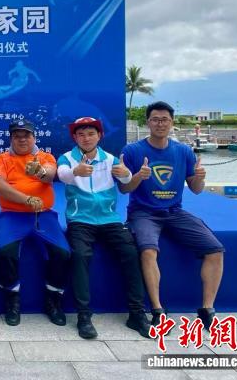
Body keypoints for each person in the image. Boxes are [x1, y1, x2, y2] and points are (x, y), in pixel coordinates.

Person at [120, 101, 224, 329]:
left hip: (175, 211)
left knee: (215, 250)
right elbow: (124, 188)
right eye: (155, 119)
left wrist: (200, 177)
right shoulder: (132, 151)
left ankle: (207, 309)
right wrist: (138, 176)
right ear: (148, 122)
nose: (160, 124)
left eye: (164, 120)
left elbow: (196, 189)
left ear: (172, 122)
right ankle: (158, 309)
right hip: (143, 212)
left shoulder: (184, 151)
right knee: (148, 251)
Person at [57, 117, 151, 339]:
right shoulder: (67, 158)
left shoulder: (110, 159)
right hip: (80, 219)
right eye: (81, 134)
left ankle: (137, 314)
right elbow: (62, 175)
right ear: (74, 137)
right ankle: (84, 315)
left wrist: (128, 174)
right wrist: (76, 172)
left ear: (99, 136)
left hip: (110, 219)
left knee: (131, 253)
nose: (86, 138)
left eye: (91, 134)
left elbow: (125, 181)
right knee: (80, 256)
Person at [0, 119, 70, 326]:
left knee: (62, 252)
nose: (22, 139)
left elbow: (49, 174)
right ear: (11, 139)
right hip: (12, 215)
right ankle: (12, 300)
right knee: (5, 252)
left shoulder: (45, 157)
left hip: (43, 215)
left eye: (26, 135)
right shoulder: (1, 159)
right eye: (17, 136)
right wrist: (26, 199)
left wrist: (39, 172)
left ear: (34, 137)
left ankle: (53, 300)